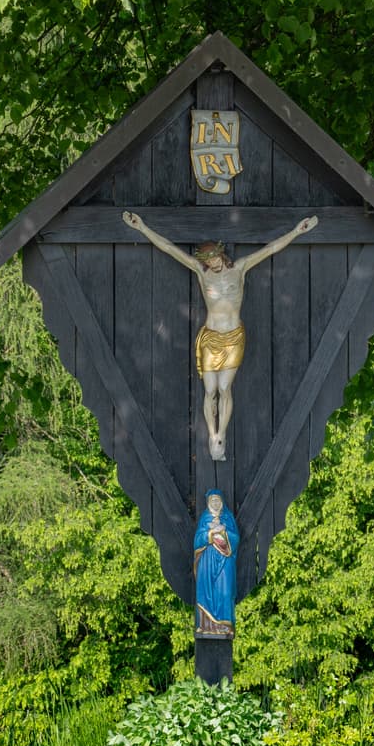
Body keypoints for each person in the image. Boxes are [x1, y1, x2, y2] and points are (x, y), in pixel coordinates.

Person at [122, 210, 318, 460]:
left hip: (233, 336)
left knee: (225, 388)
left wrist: (296, 232)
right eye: (207, 260)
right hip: (211, 337)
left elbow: (270, 249)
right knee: (210, 390)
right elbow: (170, 249)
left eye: (214, 258)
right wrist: (142, 228)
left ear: (220, 253)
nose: (212, 263)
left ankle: (220, 434)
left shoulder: (240, 268)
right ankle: (211, 433)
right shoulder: (202, 272)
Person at [192, 490, 238, 638]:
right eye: (213, 501)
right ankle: (205, 625)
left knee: (225, 590)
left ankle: (225, 626)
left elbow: (236, 538)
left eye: (217, 500)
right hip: (207, 561)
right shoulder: (204, 519)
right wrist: (211, 533)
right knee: (205, 591)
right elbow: (197, 540)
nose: (215, 503)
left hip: (225, 560)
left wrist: (223, 531)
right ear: (208, 503)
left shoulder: (228, 518)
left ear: (222, 502)